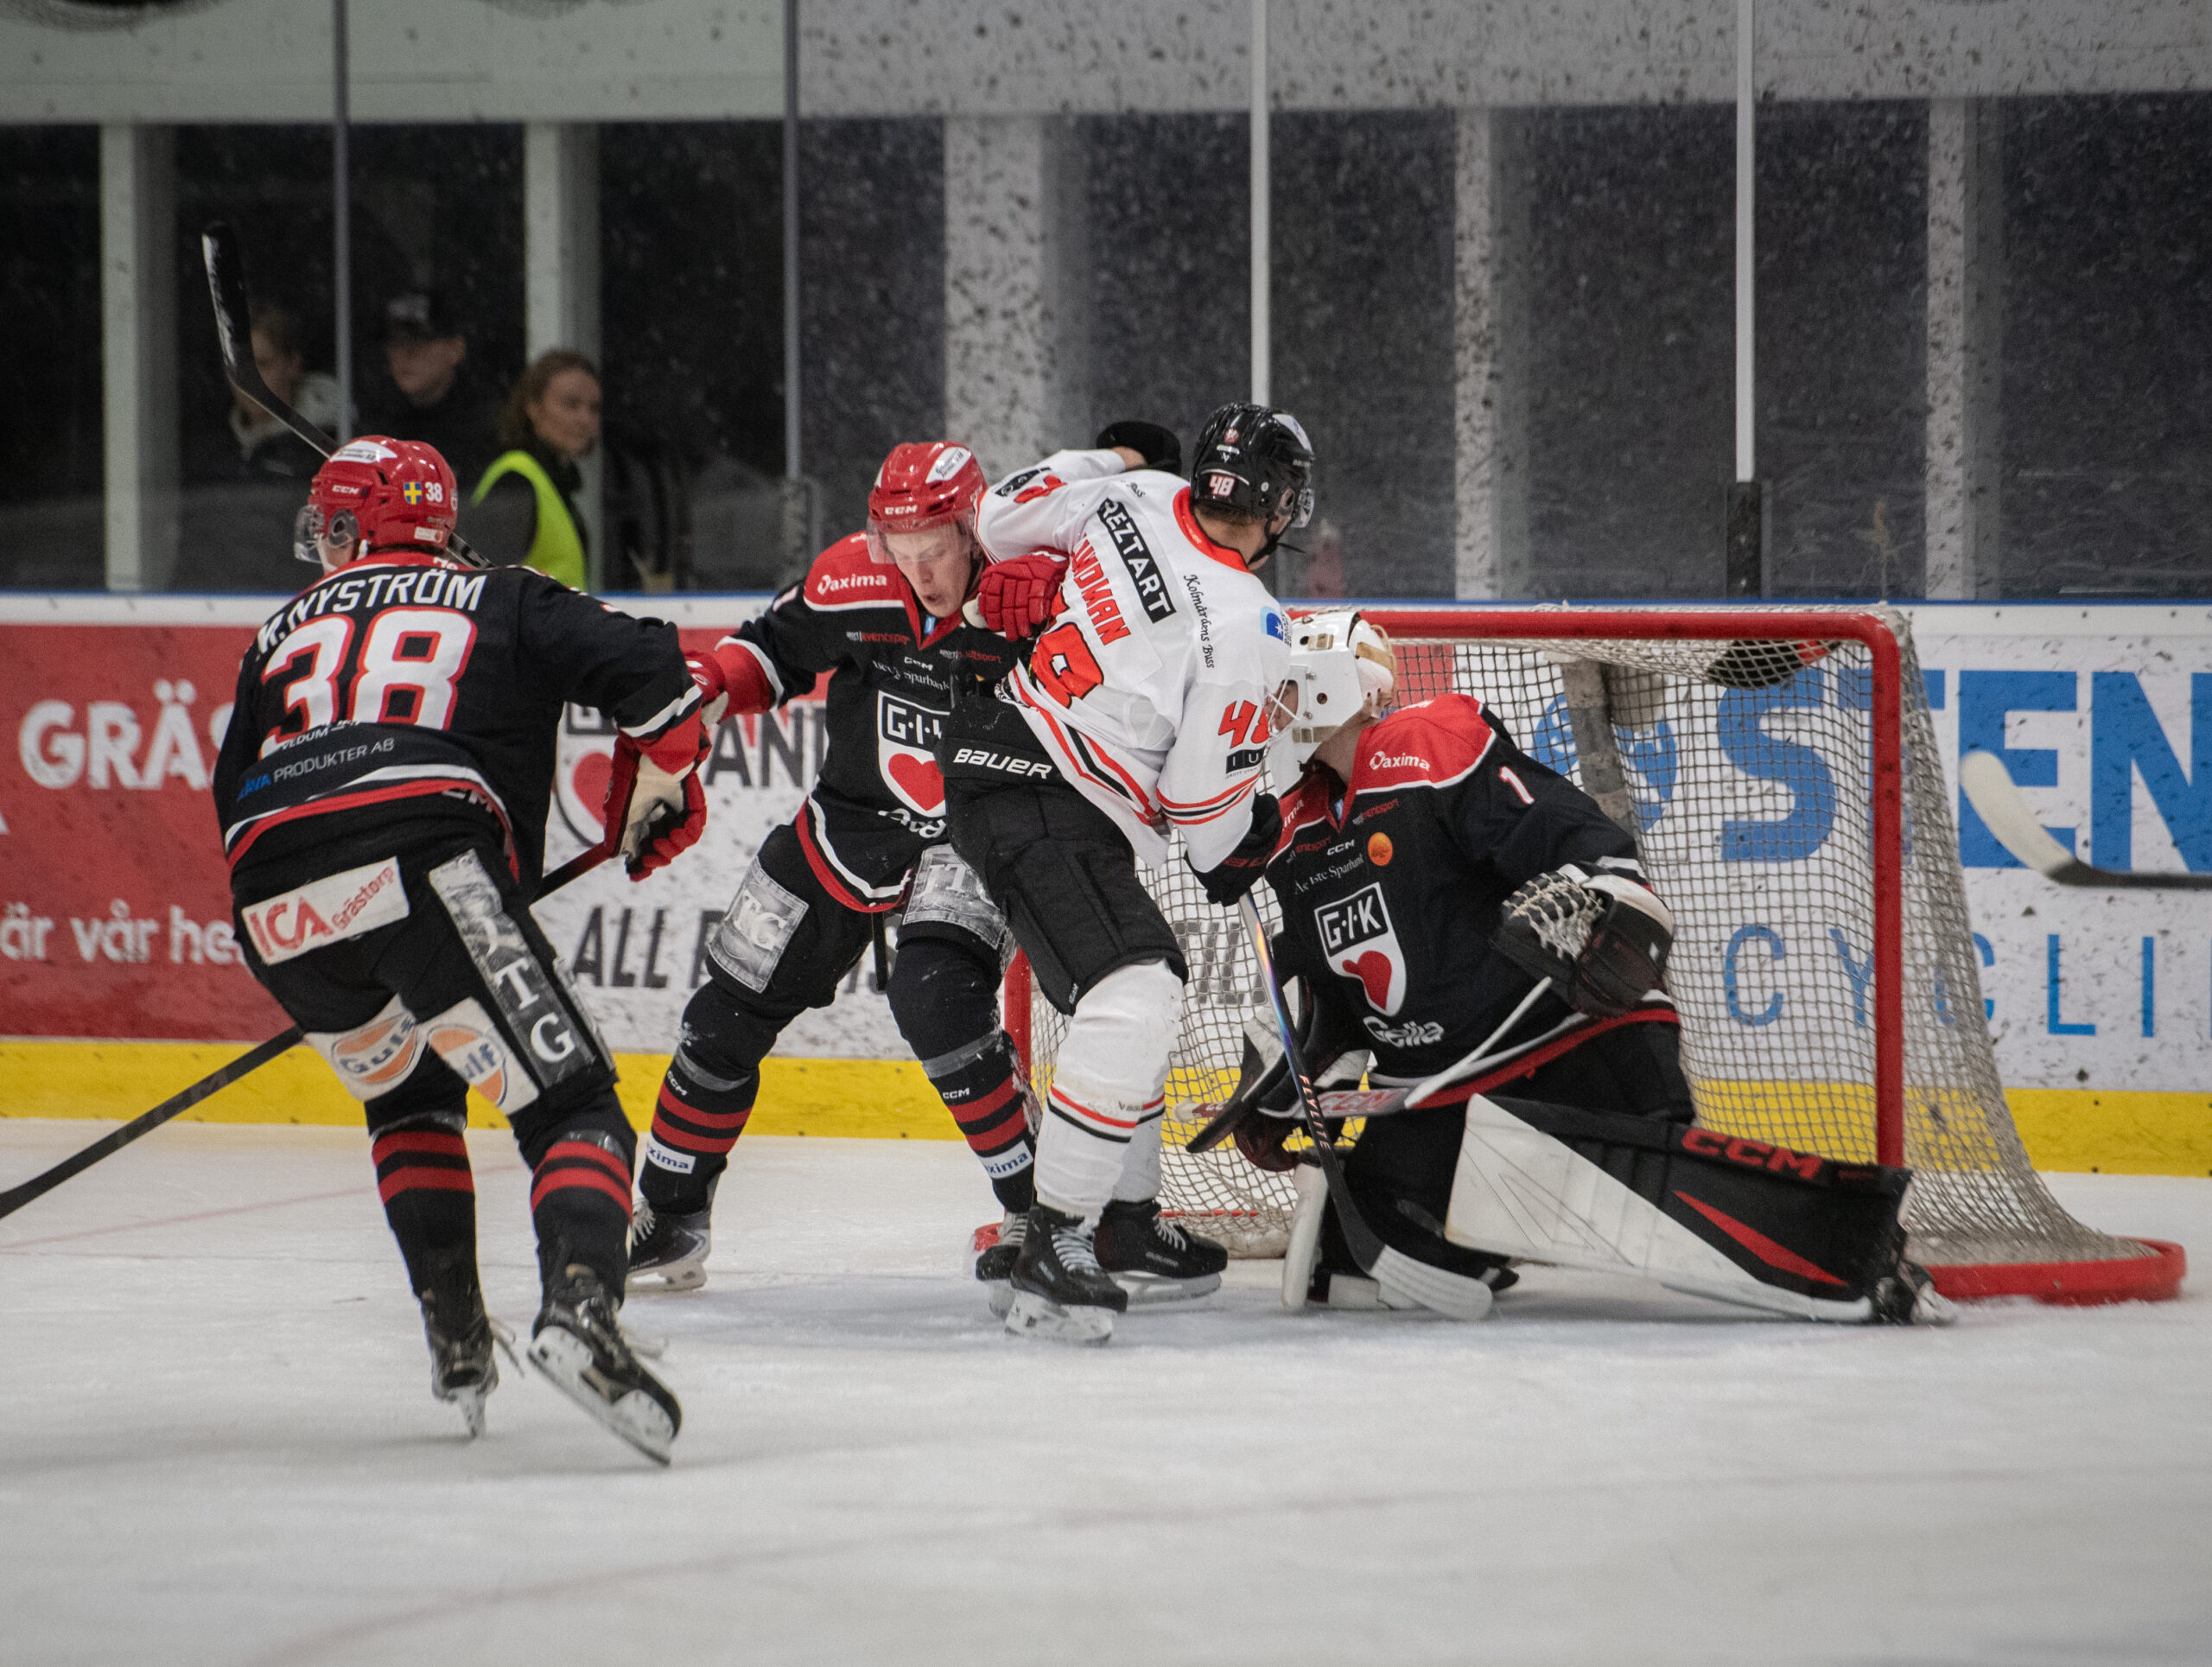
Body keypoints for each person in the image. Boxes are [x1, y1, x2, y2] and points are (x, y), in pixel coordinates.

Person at [1217, 609, 1952, 1327]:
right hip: (1446, 1093)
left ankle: (1861, 1254)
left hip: (1572, 1050)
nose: (1274, 710)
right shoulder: (1294, 826)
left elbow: (1577, 843)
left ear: (1334, 686)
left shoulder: (1426, 745)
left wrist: (1605, 895)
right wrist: (1292, 1082)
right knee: (1349, 1269)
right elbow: (1331, 993)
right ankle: (1490, 1229)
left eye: (1289, 688)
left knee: (1651, 1197)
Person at [211, 434, 714, 1461]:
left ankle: (455, 1336)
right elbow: (657, 670)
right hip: (424, 866)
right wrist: (664, 771)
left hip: (272, 903)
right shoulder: (500, 596)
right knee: (569, 1104)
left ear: (349, 527)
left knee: (409, 1100)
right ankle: (582, 1308)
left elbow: (231, 801)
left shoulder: (276, 632)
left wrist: (335, 902)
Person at [626, 440, 1042, 1295]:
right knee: (726, 1009)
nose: (919, 573)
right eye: (901, 550)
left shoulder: (1029, 594)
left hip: (971, 833)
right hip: (847, 825)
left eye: (936, 550)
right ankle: (669, 1216)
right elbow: (768, 652)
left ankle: (1042, 1215)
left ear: (975, 530)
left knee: (937, 1000)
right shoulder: (856, 577)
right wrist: (700, 694)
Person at [931, 405, 1309, 1342]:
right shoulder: (1251, 620)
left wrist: (1114, 459)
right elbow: (1202, 813)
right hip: (1046, 791)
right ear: (1281, 508)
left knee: (1140, 973)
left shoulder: (1135, 491)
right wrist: (1255, 835)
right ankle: (1056, 1241)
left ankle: (1125, 1223)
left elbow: (997, 518)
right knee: (1137, 987)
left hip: (998, 750)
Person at [467, 349, 600, 590]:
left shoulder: (555, 484)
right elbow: (482, 585)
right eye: (571, 405)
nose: (585, 418)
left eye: (594, 408)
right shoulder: (516, 481)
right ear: (533, 407)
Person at [363, 289, 500, 489]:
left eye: (422, 340)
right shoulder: (373, 423)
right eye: (397, 341)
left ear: (456, 349)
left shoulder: (488, 427)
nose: (407, 353)